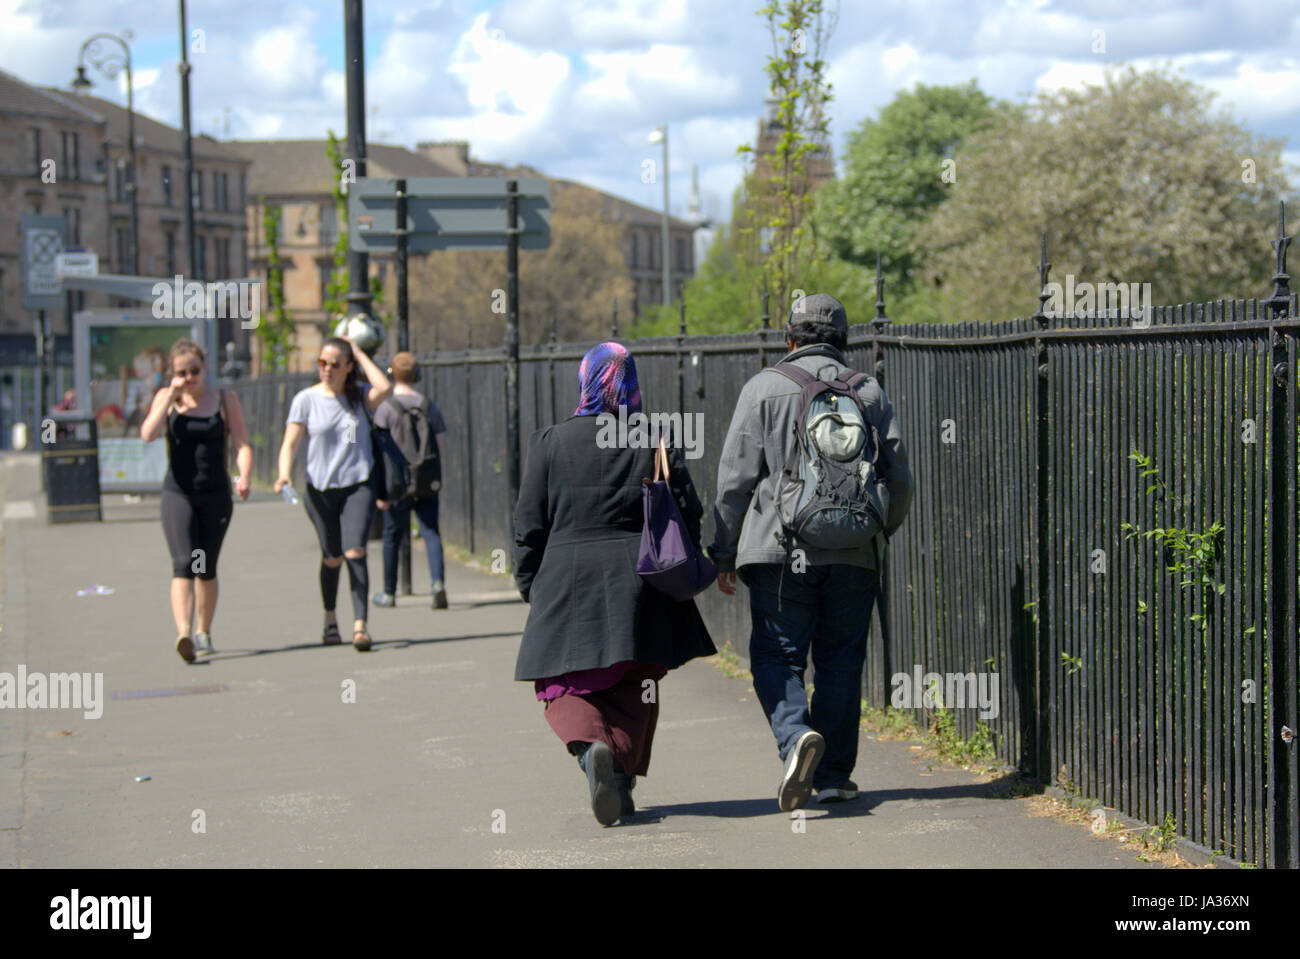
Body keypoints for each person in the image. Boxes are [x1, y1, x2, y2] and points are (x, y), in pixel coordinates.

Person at [710, 293, 914, 811]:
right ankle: (835, 777)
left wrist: (724, 552)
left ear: (790, 338)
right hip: (854, 554)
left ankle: (795, 736)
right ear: (845, 340)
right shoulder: (868, 391)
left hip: (782, 552)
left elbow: (734, 482)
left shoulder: (763, 389)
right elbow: (901, 480)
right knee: (842, 662)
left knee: (777, 655)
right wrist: (875, 533)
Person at [513, 342, 716, 826]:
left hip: (567, 578)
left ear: (585, 381)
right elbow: (688, 511)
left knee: (563, 683)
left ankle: (592, 752)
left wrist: (529, 582)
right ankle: (618, 779)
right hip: (641, 581)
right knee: (635, 682)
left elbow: (528, 525)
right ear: (631, 383)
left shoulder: (551, 441)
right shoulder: (655, 439)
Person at [274, 336, 392, 651]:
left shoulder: (360, 397)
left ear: (348, 367)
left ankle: (360, 626)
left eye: (335, 364)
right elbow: (291, 442)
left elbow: (386, 387)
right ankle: (330, 619)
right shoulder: (306, 399)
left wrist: (359, 352)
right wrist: (284, 473)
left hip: (358, 485)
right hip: (319, 490)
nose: (327, 369)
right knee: (332, 557)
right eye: (322, 363)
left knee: (355, 551)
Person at [140, 338, 253, 662]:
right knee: (183, 563)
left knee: (205, 567)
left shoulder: (223, 399)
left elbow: (242, 443)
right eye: (181, 372)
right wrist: (170, 396)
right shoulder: (167, 398)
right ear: (172, 374)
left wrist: (244, 476)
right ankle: (184, 634)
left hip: (215, 494)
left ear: (205, 369)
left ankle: (204, 630)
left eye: (194, 371)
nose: (189, 377)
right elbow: (148, 434)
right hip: (179, 494)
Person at [370, 351, 449, 610]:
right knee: (431, 532)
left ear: (391, 374)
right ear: (418, 375)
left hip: (397, 482)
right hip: (426, 480)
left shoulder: (386, 408)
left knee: (393, 534)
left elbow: (379, 449)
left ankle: (389, 592)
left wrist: (380, 488)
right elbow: (438, 443)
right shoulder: (429, 405)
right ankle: (437, 583)